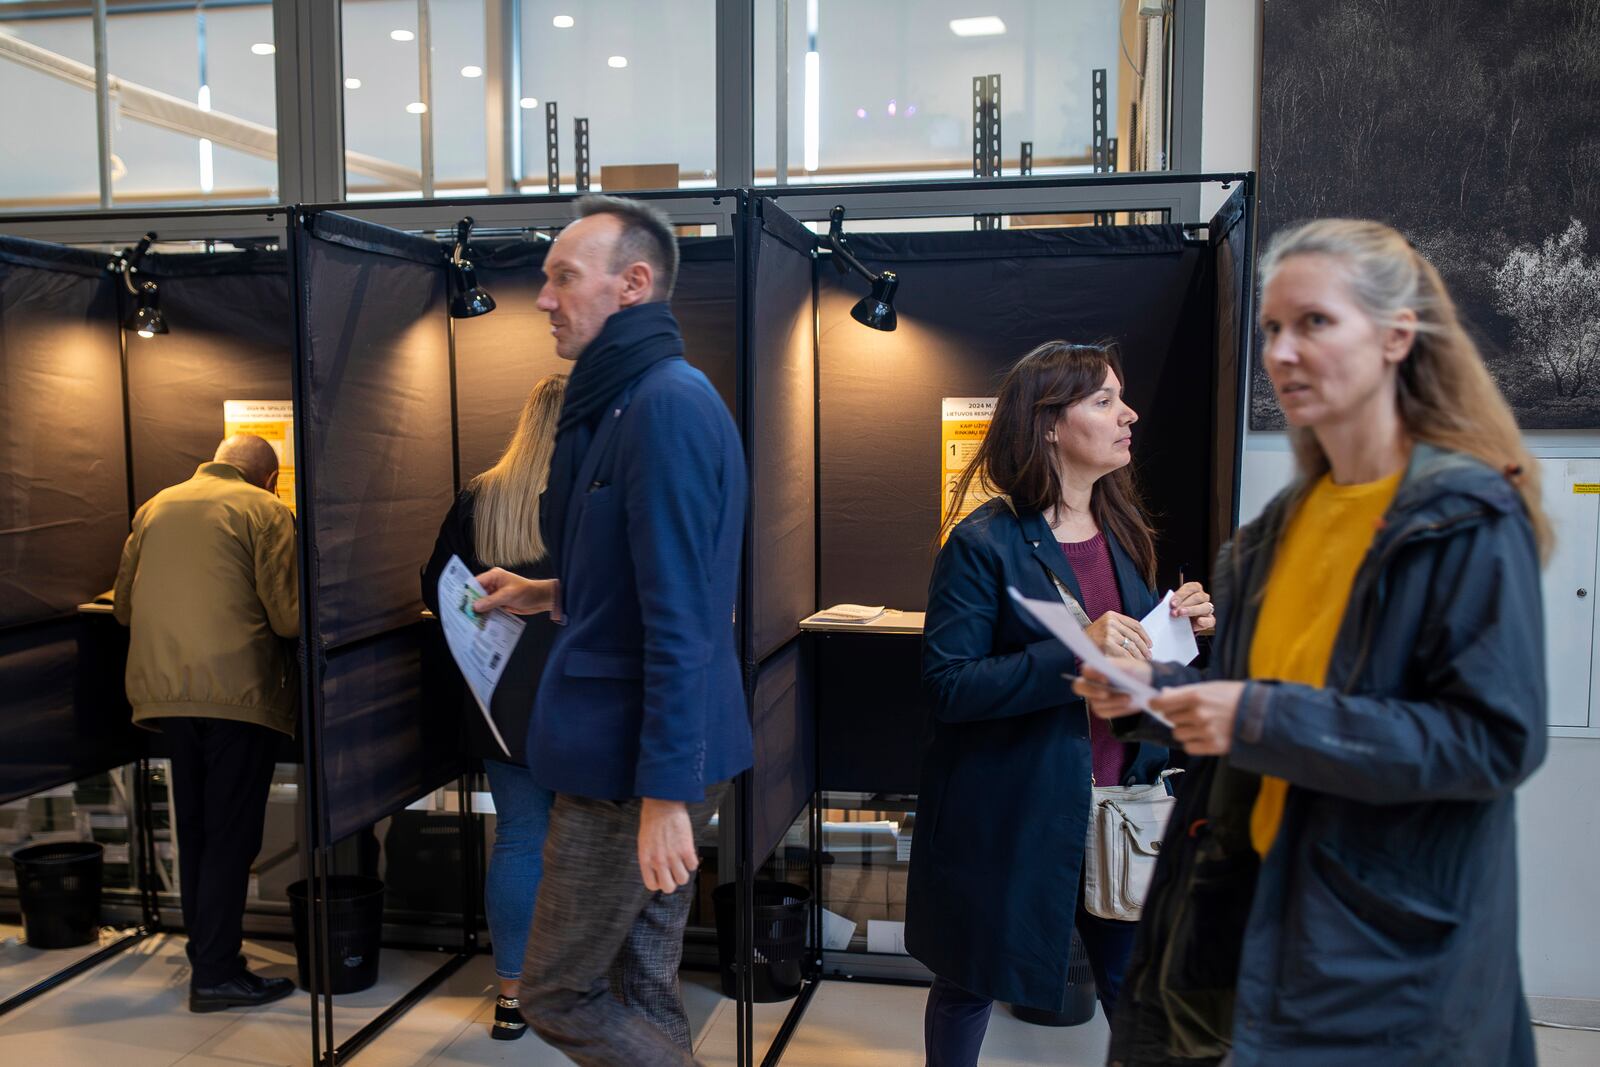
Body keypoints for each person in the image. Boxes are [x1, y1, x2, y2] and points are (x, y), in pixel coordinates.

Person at [1077, 219, 1550, 1067]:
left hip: (1380, 950)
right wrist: (1148, 697)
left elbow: (1491, 739)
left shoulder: (1463, 519)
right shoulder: (1272, 535)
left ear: (1397, 335)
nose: (1283, 351)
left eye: (1315, 323)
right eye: (1271, 330)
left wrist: (1255, 714)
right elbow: (1247, 690)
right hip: (1240, 913)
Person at [471, 194, 750, 1066]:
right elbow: (644, 578)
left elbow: (683, 616)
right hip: (636, 749)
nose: (544, 298)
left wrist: (666, 794)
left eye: (562, 277)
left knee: (555, 991)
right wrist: (550, 590)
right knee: (638, 986)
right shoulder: (625, 402)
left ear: (632, 284)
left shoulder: (663, 405)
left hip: (634, 759)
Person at [908, 341, 1216, 1067]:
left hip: (1118, 811)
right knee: (969, 983)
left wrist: (1190, 629)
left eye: (1121, 397)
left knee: (1134, 991)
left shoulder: (1123, 533)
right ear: (1049, 423)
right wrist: (1078, 650)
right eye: (1104, 400)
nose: (1128, 414)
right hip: (1015, 815)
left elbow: (1142, 679)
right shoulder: (982, 543)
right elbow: (948, 685)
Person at [111, 434, 298, 1012]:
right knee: (230, 835)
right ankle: (216, 973)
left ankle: (209, 958)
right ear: (267, 478)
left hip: (163, 696)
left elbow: (122, 607)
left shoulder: (156, 505)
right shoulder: (267, 511)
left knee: (194, 831)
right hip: (236, 697)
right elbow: (288, 618)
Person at [420, 374, 566, 1042]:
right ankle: (575, 987)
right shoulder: (586, 495)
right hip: (579, 693)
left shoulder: (483, 492)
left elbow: (434, 584)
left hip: (499, 695)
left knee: (520, 838)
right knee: (592, 844)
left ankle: (511, 995)